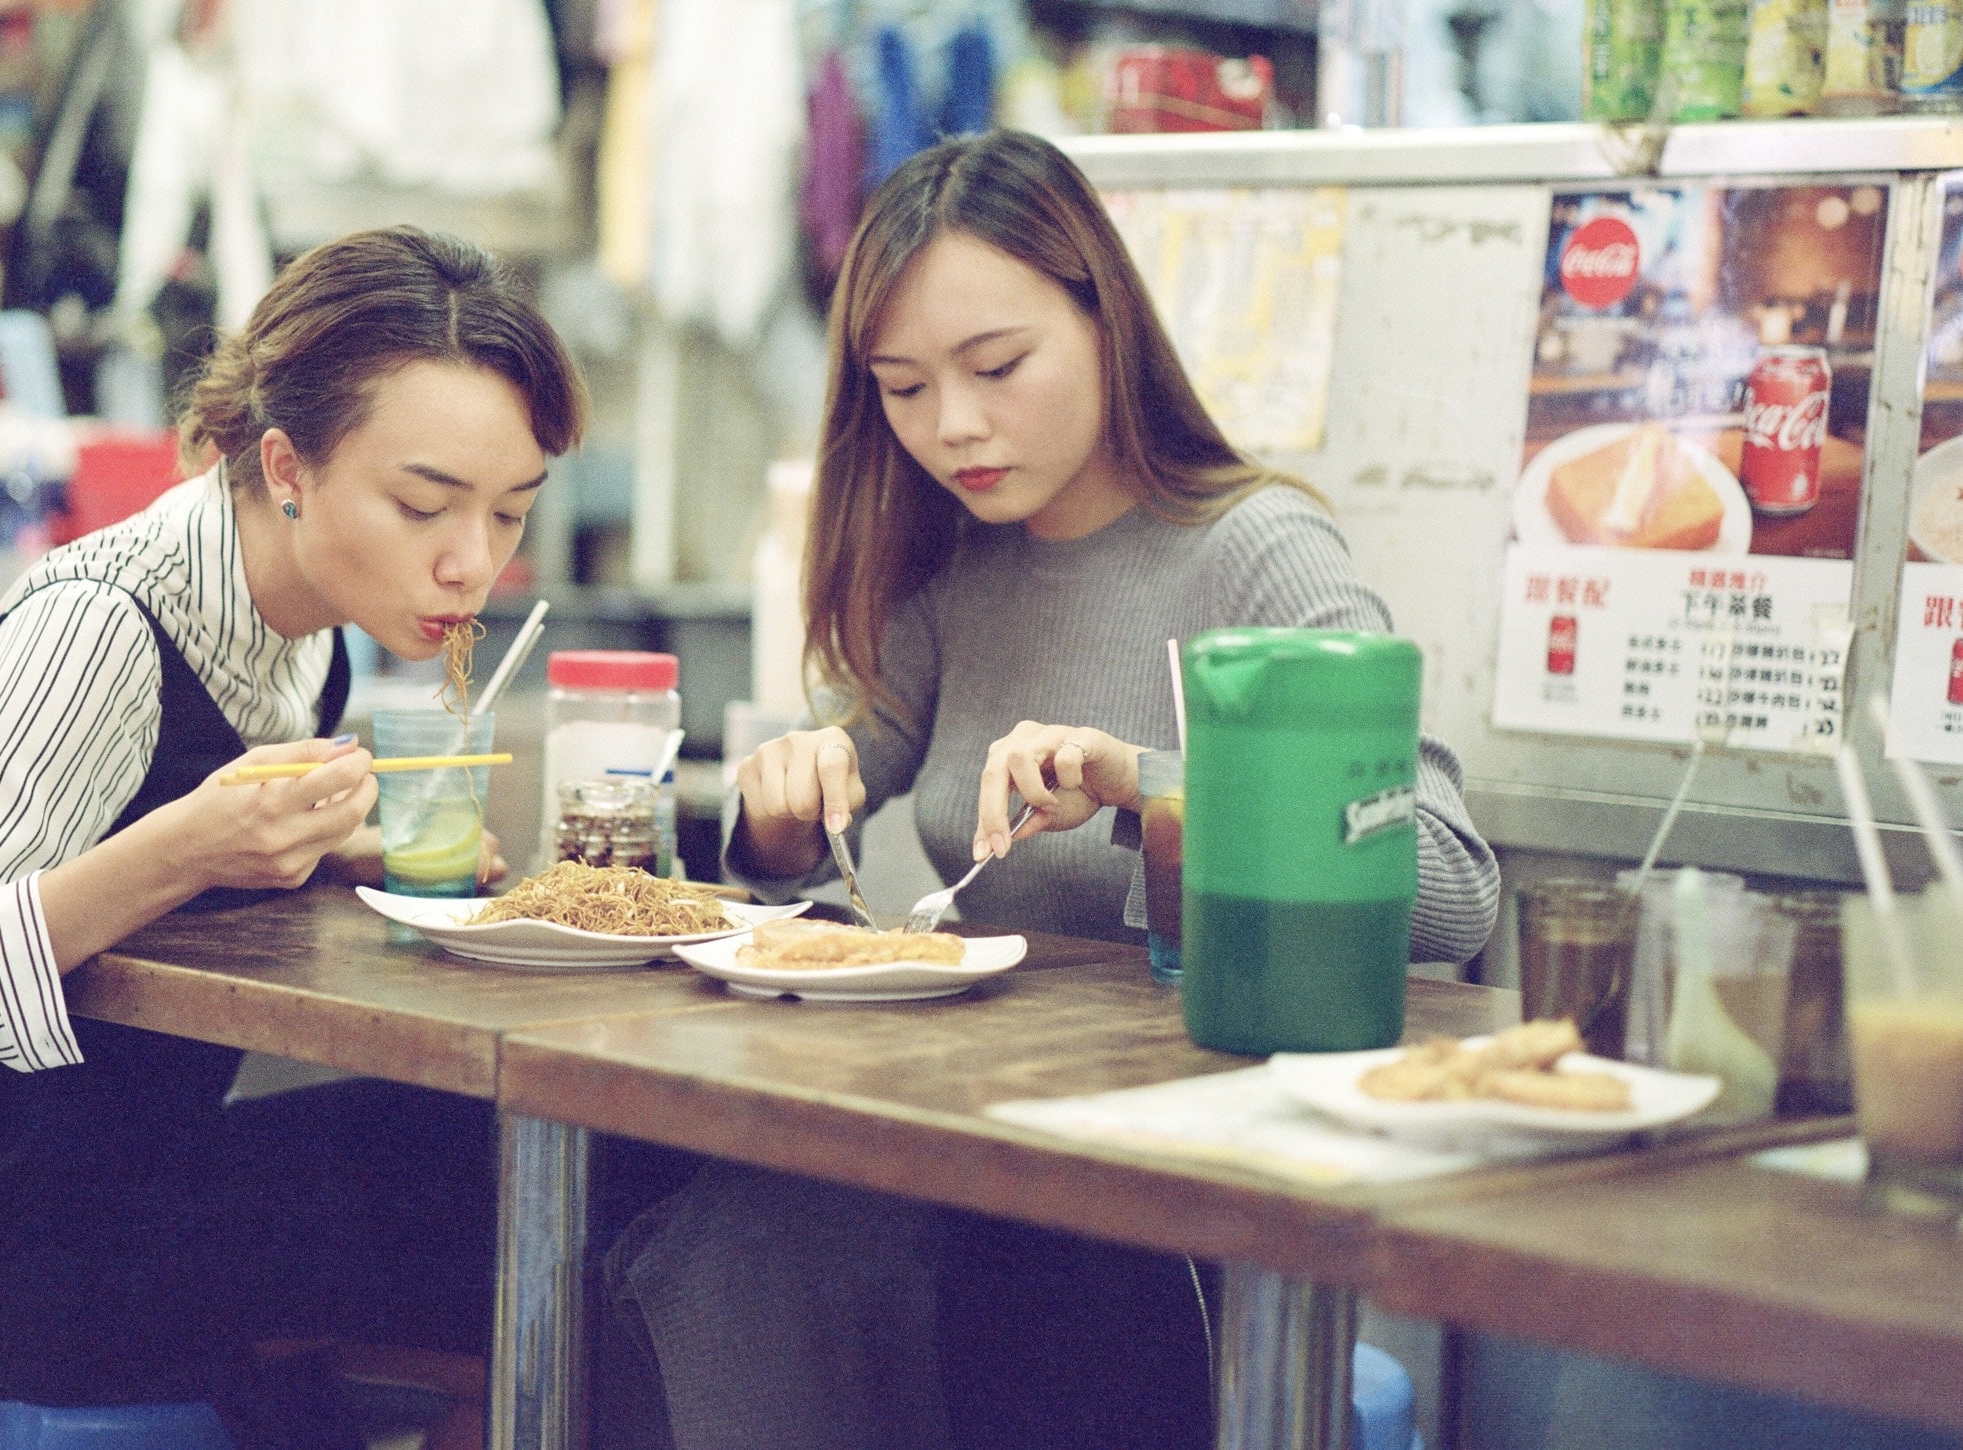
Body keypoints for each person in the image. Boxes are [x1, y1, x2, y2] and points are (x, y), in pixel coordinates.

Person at [599, 130, 1501, 1450]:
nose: (951, 425)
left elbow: (1450, 888)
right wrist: (787, 795)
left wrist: (1149, 783)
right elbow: (815, 809)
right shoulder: (959, 566)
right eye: (901, 387)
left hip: (1175, 1203)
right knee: (699, 1225)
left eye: (997, 366)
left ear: (1104, 317)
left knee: (770, 1253)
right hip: (982, 1153)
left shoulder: (1254, 550)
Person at [0, 227, 584, 1450]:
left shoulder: (315, 629)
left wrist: (326, 850)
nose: (471, 563)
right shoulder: (100, 633)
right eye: (424, 503)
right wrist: (186, 847)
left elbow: (151, 834)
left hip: (138, 1183)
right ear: (285, 464)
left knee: (552, 1168)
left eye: (508, 513)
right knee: (521, 1219)